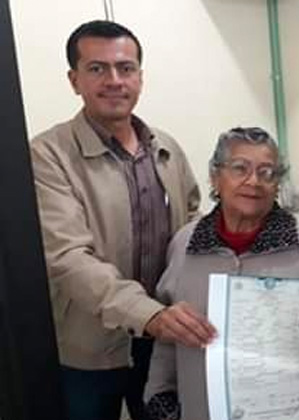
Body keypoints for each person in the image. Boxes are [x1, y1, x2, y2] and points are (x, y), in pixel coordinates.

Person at [29, 20, 214, 420]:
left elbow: (192, 229)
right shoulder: (48, 155)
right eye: (97, 68)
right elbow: (67, 258)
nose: (114, 80)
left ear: (140, 78)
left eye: (125, 68)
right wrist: (148, 314)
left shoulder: (166, 148)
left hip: (165, 341)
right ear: (74, 80)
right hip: (88, 352)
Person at [143, 127, 299, 420]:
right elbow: (166, 336)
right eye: (240, 168)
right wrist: (160, 398)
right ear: (215, 177)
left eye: (267, 172)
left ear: (277, 184)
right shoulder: (185, 244)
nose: (254, 181)